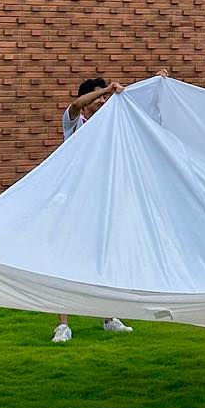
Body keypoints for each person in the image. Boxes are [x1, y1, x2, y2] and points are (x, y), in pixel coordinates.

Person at [51, 74, 133, 344]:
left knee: (103, 260)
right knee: (64, 263)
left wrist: (157, 83)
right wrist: (107, 89)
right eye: (98, 97)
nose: (102, 101)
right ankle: (63, 326)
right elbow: (76, 105)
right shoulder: (74, 123)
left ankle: (109, 318)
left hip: (99, 204)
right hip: (73, 204)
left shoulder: (108, 125)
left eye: (104, 97)